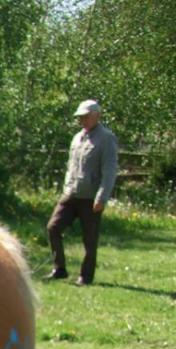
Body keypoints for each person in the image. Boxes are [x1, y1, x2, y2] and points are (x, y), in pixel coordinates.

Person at [46, 99, 118, 286]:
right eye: (80, 117)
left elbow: (109, 171)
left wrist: (102, 197)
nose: (82, 120)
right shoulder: (77, 137)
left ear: (97, 116)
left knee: (89, 239)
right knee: (53, 228)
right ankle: (59, 268)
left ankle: (86, 276)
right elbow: (71, 166)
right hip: (71, 194)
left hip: (91, 198)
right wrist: (66, 188)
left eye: (86, 116)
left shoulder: (107, 138)